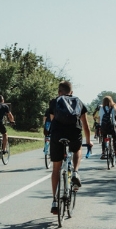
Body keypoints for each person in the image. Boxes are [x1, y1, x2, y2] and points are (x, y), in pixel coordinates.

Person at [47, 81, 92, 215]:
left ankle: (55, 201)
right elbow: (85, 124)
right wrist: (89, 141)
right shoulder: (78, 101)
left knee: (56, 168)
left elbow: (52, 120)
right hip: (74, 132)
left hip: (57, 134)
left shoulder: (54, 102)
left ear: (59, 92)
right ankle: (75, 172)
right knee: (77, 149)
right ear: (71, 92)